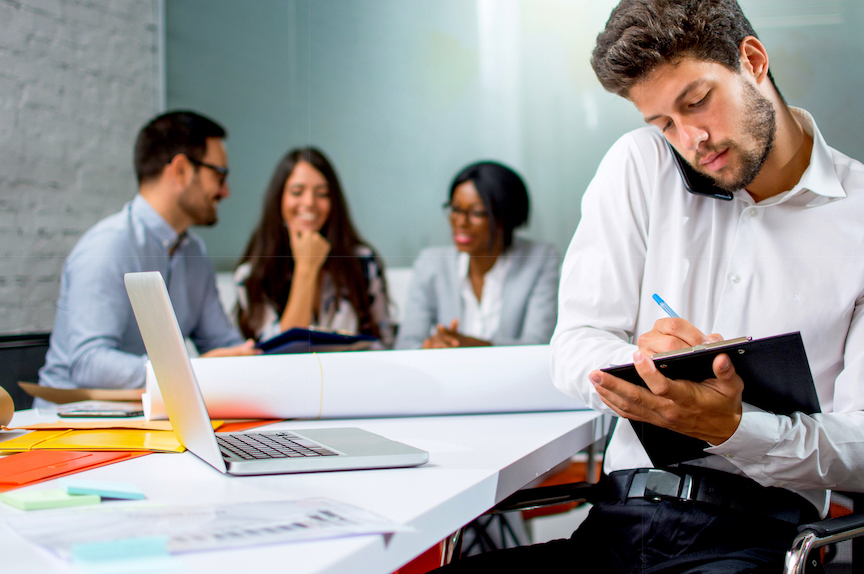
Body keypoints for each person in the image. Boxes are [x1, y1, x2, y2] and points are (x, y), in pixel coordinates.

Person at [401, 0, 864, 574]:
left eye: (696, 101)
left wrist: (737, 428)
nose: (692, 141)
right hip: (614, 526)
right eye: (663, 123)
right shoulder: (637, 168)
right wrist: (645, 365)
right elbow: (575, 343)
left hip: (760, 543)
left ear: (753, 59)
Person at [38, 111, 258, 391]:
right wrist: (191, 372)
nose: (226, 191)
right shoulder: (108, 246)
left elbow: (224, 345)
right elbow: (89, 364)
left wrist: (255, 363)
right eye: (220, 175)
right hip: (73, 423)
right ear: (181, 170)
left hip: (152, 416)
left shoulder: (194, 253)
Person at [234, 147, 393, 347]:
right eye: (297, 192)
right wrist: (306, 267)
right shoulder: (253, 276)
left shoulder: (362, 262)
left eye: (322, 193)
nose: (309, 202)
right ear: (279, 199)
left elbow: (385, 343)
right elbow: (279, 355)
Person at [394, 161, 560, 350]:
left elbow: (539, 345)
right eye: (455, 209)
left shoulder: (539, 260)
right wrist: (432, 347)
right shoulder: (431, 264)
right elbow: (405, 345)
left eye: (477, 212)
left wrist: (472, 346)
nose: (461, 222)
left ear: (506, 216)